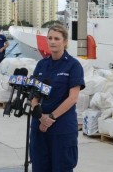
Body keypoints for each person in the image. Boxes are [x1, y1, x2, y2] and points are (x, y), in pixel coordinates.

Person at [30, 24, 85, 172]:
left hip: (62, 129)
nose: (52, 41)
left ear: (65, 41)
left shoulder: (73, 66)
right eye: (50, 38)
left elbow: (73, 98)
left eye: (57, 38)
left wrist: (50, 118)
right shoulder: (41, 65)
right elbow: (33, 96)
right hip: (40, 128)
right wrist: (41, 117)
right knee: (39, 167)